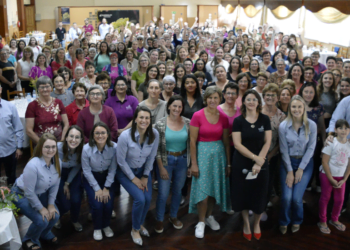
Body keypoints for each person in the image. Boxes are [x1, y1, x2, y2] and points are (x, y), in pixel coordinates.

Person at [189, 86, 231, 238]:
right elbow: (192, 141)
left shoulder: (224, 117)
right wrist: (194, 163)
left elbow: (226, 142)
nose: (213, 100)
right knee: (203, 190)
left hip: (219, 156)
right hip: (202, 156)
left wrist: (228, 163)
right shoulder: (197, 116)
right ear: (205, 99)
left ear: (220, 99)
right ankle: (200, 222)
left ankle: (209, 216)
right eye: (210, 97)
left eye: (216, 97)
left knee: (213, 189)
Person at [231, 89, 272, 241]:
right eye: (248, 99)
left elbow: (268, 141)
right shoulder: (238, 121)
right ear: (244, 102)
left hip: (261, 161)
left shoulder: (264, 119)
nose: (251, 102)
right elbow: (237, 144)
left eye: (254, 99)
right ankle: (246, 224)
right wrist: (255, 158)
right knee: (244, 194)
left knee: (260, 194)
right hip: (242, 161)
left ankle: (256, 224)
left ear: (258, 102)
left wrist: (259, 161)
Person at [116, 106, 159, 246]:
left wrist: (145, 176)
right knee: (140, 199)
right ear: (135, 119)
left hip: (143, 171)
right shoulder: (125, 136)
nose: (144, 120)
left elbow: (152, 157)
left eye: (147, 118)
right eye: (141, 117)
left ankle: (139, 224)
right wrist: (133, 179)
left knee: (147, 198)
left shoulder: (154, 134)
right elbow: (121, 161)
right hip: (125, 172)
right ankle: (134, 230)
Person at [11, 133, 61, 250]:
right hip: (20, 194)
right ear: (41, 147)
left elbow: (55, 185)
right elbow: (29, 192)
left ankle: (44, 233)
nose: (50, 150)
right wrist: (41, 208)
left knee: (55, 215)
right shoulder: (33, 165)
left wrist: (50, 204)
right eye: (47, 147)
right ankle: (29, 239)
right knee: (41, 219)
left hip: (39, 193)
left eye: (53, 147)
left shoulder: (58, 162)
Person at [278, 95, 317, 234]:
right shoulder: (283, 126)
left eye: (299, 106)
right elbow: (283, 150)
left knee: (296, 198)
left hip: (305, 164)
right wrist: (289, 170)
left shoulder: (311, 125)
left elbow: (311, 149)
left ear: (304, 108)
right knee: (286, 198)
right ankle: (284, 221)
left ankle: (297, 220)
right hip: (287, 162)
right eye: (293, 106)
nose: (296, 109)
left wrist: (300, 169)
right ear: (290, 108)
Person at [154, 96, 191, 233]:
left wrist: (189, 164)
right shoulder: (160, 124)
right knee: (163, 193)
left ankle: (173, 216)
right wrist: (161, 167)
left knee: (178, 191)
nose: (177, 109)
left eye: (180, 106)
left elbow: (191, 145)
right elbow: (156, 148)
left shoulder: (188, 123)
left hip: (182, 160)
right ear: (169, 106)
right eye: (174, 106)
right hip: (166, 160)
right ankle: (159, 219)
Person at [82, 122, 117, 240]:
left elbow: (113, 169)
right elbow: (86, 171)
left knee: (108, 204)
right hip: (91, 178)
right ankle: (97, 228)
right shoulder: (86, 149)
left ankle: (106, 225)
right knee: (97, 205)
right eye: (97, 133)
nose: (100, 135)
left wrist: (106, 188)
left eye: (103, 133)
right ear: (92, 135)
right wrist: (97, 189)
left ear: (107, 134)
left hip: (107, 178)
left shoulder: (114, 148)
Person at [317, 119, 350, 234]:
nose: (343, 130)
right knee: (325, 198)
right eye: (340, 128)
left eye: (346, 128)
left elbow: (349, 164)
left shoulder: (349, 144)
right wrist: (330, 178)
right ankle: (322, 221)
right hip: (327, 175)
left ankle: (334, 219)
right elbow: (324, 162)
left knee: (340, 199)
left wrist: (345, 178)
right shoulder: (331, 142)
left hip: (341, 177)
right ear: (335, 130)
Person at [261, 83, 286, 218]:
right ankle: (254, 205)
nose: (270, 97)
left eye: (273, 95)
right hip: (255, 154)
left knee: (267, 183)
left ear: (277, 98)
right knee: (254, 182)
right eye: (267, 95)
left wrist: (269, 156)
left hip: (272, 155)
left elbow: (281, 141)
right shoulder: (256, 111)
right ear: (263, 97)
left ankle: (262, 208)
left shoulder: (282, 116)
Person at [54, 126, 84, 232]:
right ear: (66, 137)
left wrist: (67, 183)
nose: (74, 140)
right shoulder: (57, 148)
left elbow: (77, 167)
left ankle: (74, 220)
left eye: (77, 137)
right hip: (58, 174)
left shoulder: (82, 150)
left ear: (81, 140)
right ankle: (56, 218)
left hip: (73, 174)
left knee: (76, 199)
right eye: (71, 136)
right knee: (63, 202)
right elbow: (55, 170)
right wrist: (62, 184)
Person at [26, 76, 69, 144]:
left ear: (51, 88)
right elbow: (29, 130)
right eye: (42, 87)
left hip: (59, 142)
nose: (45, 89)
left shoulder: (58, 102)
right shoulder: (32, 105)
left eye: (47, 86)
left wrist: (62, 140)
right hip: (41, 143)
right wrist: (42, 144)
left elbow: (66, 124)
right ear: (38, 89)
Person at [0, 84, 24, 186]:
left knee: (11, 177)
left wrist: (19, 147)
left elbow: (18, 128)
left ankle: (11, 197)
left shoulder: (10, 106)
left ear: (1, 89)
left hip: (9, 148)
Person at [217, 82, 241, 153]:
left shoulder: (240, 111)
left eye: (233, 93)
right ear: (224, 95)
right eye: (228, 93)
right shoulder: (217, 110)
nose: (230, 96)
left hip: (236, 147)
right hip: (220, 146)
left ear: (237, 96)